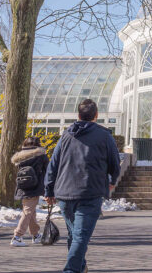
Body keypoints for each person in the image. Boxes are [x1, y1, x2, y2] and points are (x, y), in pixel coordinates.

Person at [45, 98, 121, 273]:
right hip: (89, 192)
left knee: (75, 235)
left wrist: (49, 189)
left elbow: (53, 163)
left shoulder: (66, 134)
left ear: (78, 115)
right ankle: (71, 270)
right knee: (80, 236)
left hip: (64, 194)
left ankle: (80, 267)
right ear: (96, 115)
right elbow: (114, 163)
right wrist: (112, 180)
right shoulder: (104, 136)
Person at [10, 137, 49, 247]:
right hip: (35, 187)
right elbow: (48, 171)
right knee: (28, 211)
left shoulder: (20, 158)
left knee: (30, 211)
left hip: (23, 187)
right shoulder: (41, 156)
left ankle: (36, 235)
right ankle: (17, 236)